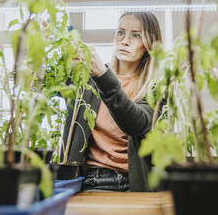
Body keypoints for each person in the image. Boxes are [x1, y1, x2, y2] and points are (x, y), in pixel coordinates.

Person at [61, 11, 163, 192]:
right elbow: (45, 84)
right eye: (121, 32)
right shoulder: (88, 77)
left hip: (137, 184)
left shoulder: (154, 87)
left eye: (136, 35)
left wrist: (102, 76)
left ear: (150, 44)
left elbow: (135, 124)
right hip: (94, 181)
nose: (125, 41)